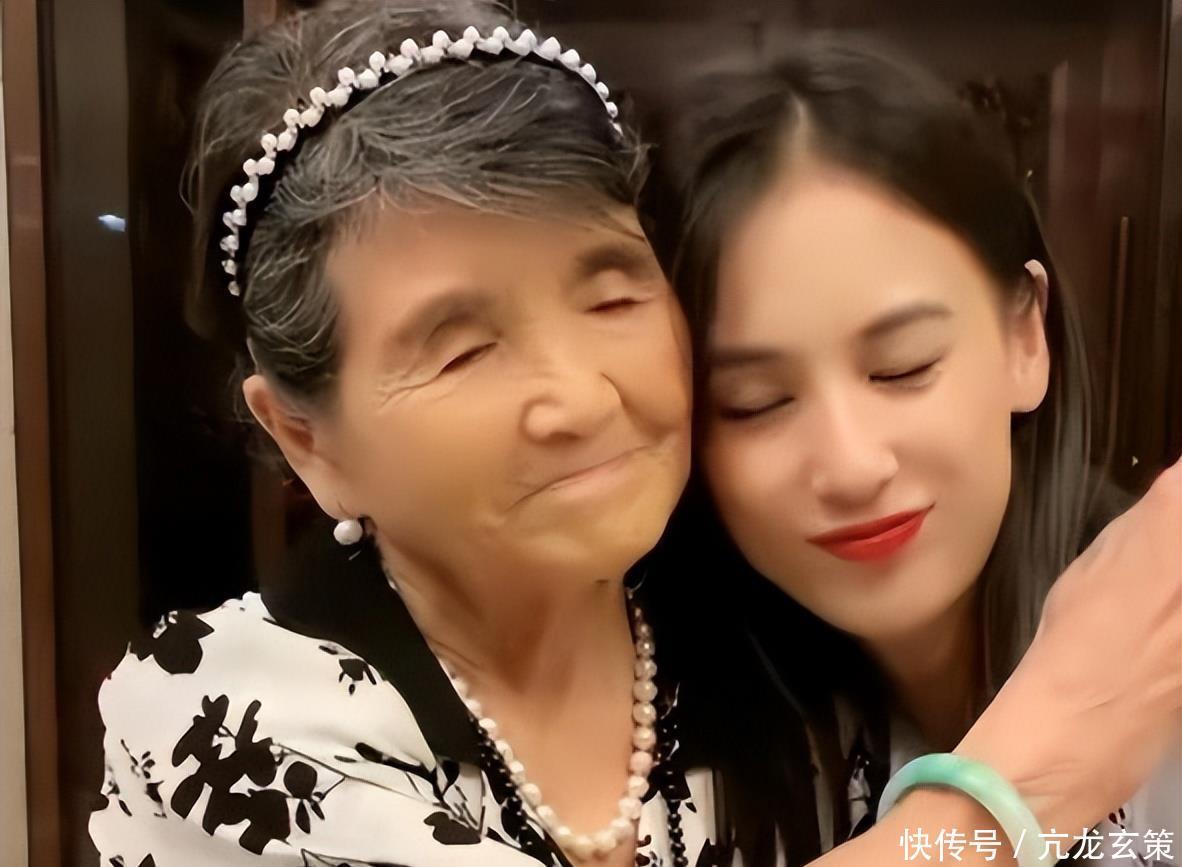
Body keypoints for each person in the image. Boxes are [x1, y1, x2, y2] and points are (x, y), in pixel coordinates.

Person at [90, 4, 1180, 865]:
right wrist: (1022, 782)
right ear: (306, 441)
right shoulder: (224, 718)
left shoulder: (775, 653)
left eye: (612, 298)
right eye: (462, 351)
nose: (580, 399)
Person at [658, 35, 1182, 866]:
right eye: (755, 402)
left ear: (1026, 337)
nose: (851, 465)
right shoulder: (668, 741)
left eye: (903, 367)